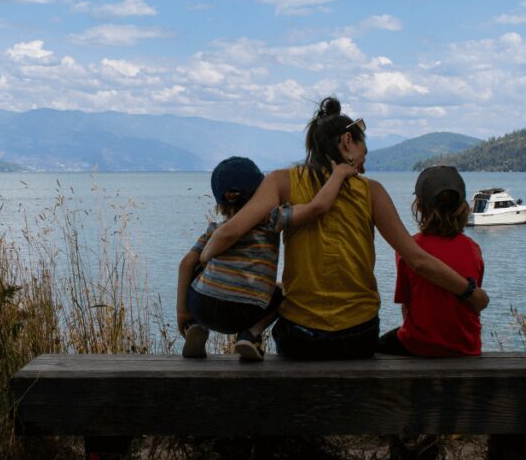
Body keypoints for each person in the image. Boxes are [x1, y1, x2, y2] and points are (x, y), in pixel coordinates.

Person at [199, 97, 489, 359]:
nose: (366, 156)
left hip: (301, 339)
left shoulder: (281, 181)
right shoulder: (372, 191)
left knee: (280, 300)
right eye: (364, 147)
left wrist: (203, 258)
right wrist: (470, 292)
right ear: (347, 141)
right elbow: (418, 260)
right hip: (358, 337)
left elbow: (231, 231)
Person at [177, 156, 358, 361]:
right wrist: (338, 175)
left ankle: (195, 327)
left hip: (203, 306)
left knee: (197, 270)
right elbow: (318, 207)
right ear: (260, 191)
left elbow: (185, 264)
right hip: (245, 310)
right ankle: (250, 335)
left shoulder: (214, 230)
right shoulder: (272, 218)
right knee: (285, 291)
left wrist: (183, 313)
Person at [378, 166, 484, 357]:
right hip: (466, 346)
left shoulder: (409, 247)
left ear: (419, 206)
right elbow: (473, 305)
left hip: (420, 345)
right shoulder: (473, 249)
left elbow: (407, 305)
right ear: (462, 207)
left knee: (376, 349)